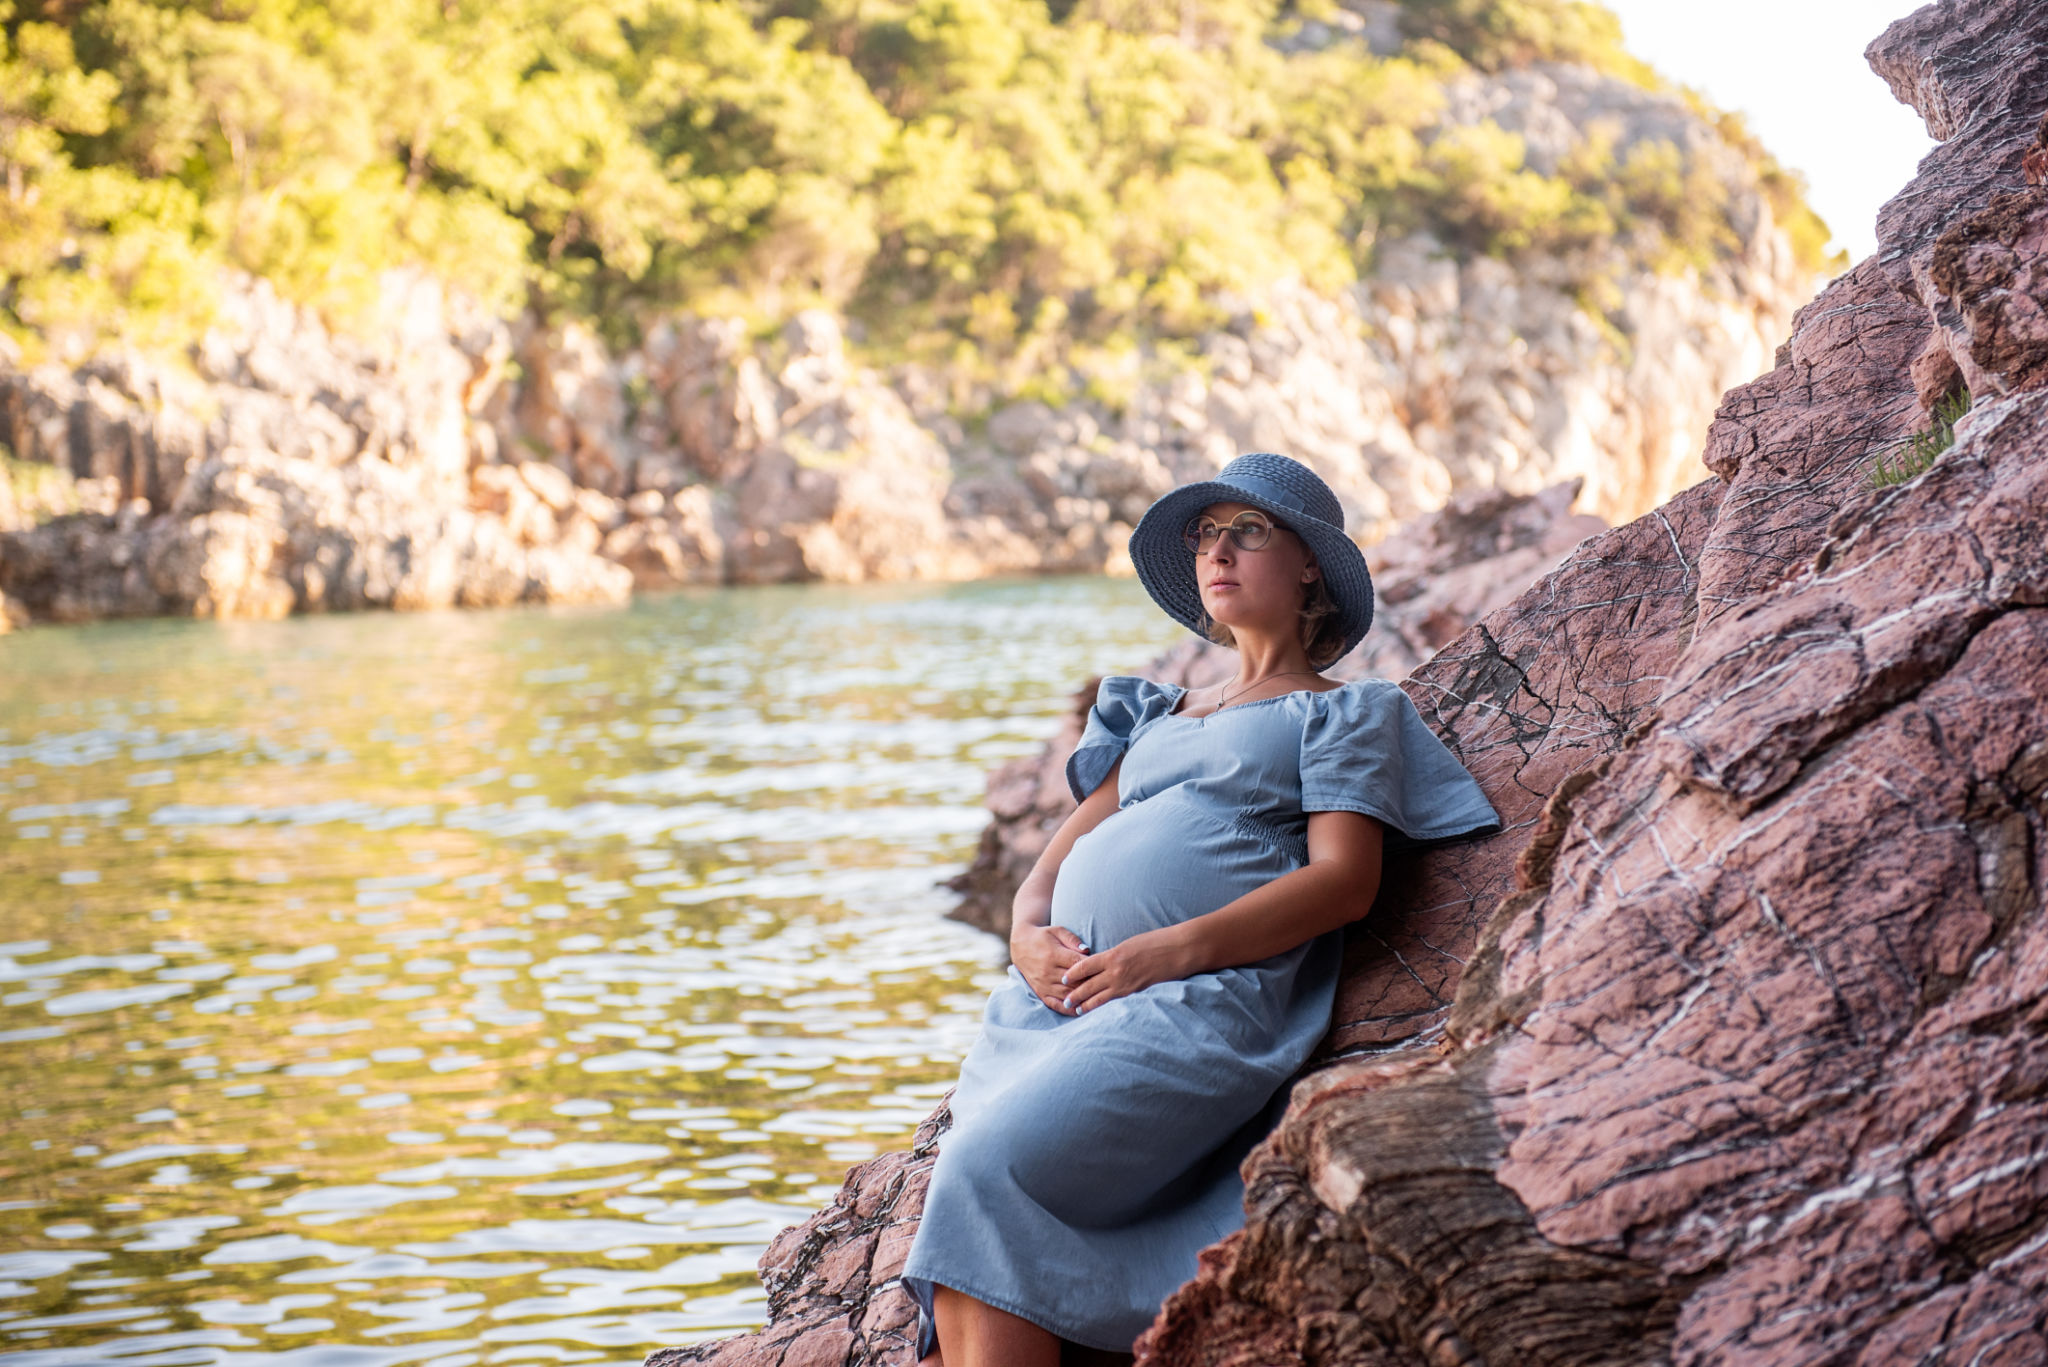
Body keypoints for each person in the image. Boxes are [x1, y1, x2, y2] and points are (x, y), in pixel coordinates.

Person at [899, 452, 1501, 1366]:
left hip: (1199, 997)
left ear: (1309, 565)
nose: (1217, 551)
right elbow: (1050, 864)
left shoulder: (1342, 714)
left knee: (986, 1171)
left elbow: (1346, 882)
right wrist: (1025, 939)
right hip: (1052, 1002)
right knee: (967, 1190)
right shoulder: (1155, 715)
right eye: (1205, 534)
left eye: (1247, 531)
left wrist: (1161, 954)